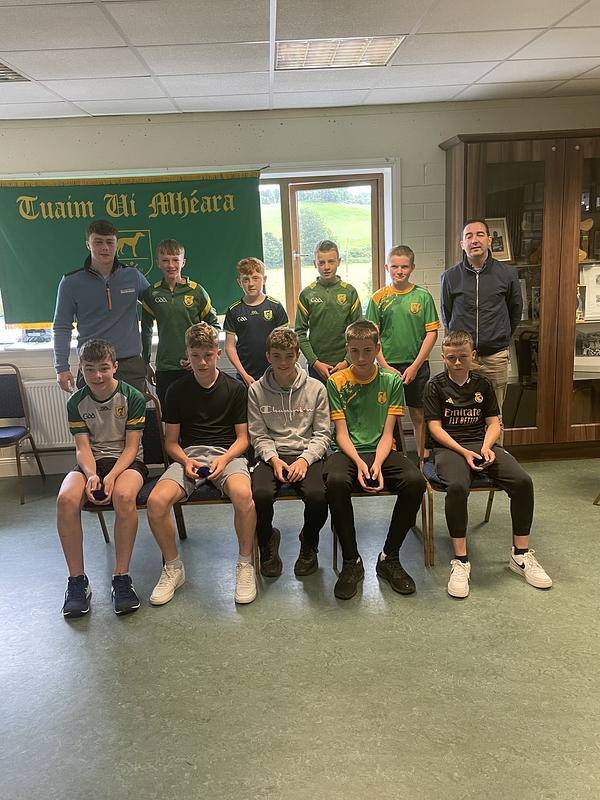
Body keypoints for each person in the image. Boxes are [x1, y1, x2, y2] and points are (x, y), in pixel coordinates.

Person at [423, 330, 552, 599]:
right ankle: (461, 561)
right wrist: (463, 452)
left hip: (482, 444)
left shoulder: (483, 384)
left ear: (473, 356)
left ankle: (520, 555)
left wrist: (485, 447)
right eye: (451, 357)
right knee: (457, 486)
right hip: (449, 448)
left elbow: (494, 423)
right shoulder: (434, 386)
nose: (457, 362)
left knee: (522, 482)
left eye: (462, 356)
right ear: (443, 357)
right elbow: (435, 428)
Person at [146, 322, 257, 606]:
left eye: (208, 355)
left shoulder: (235, 388)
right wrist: (185, 461)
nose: (202, 362)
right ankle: (173, 568)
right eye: (195, 356)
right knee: (156, 502)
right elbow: (171, 442)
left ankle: (245, 564)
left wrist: (224, 459)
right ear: (187, 355)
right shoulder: (176, 390)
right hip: (190, 456)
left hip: (228, 456)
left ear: (218, 353)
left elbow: (243, 439)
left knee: (244, 495)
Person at [324, 320, 426, 600]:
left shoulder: (392, 381)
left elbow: (388, 433)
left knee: (415, 482)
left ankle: (389, 557)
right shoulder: (336, 382)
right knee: (335, 481)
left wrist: (377, 464)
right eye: (354, 351)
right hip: (346, 451)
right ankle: (351, 561)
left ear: (377, 348)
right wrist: (360, 464)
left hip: (382, 450)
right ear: (347, 349)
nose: (360, 358)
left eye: (367, 350)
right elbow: (341, 433)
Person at [57, 339, 147, 618]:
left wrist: (113, 476)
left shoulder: (133, 397)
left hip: (127, 462)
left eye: (104, 368)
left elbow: (131, 447)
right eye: (90, 369)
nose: (97, 376)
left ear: (115, 367)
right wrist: (92, 475)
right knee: (66, 499)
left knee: (124, 495)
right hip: (91, 462)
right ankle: (77, 582)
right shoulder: (76, 401)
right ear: (81, 369)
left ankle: (121, 578)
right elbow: (82, 447)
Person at [248, 328, 330, 577]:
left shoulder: (316, 389)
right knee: (260, 495)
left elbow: (323, 434)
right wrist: (273, 460)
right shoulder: (256, 391)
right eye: (277, 356)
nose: (283, 362)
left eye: (289, 356)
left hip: (306, 453)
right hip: (272, 455)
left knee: (318, 496)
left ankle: (309, 542)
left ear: (297, 356)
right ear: (268, 356)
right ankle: (267, 540)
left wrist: (305, 460)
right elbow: (258, 435)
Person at [53, 219, 149, 395]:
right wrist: (61, 367)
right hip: (92, 366)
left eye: (109, 242)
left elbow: (160, 307)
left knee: (134, 414)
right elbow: (61, 327)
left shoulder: (133, 276)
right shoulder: (70, 283)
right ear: (88, 244)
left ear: (116, 244)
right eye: (98, 242)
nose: (105, 247)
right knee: (93, 414)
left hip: (130, 365)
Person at [440, 218, 522, 417]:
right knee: (461, 415)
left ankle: (494, 441)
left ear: (489, 240)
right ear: (462, 244)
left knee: (495, 416)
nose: (474, 240)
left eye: (480, 235)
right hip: (462, 359)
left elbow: (515, 311)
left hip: (495, 357)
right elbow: (446, 315)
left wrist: (499, 337)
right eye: (469, 236)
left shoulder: (507, 274)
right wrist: (460, 349)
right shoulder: (450, 277)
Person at [366, 244, 440, 451]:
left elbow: (432, 333)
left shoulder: (422, 297)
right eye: (394, 266)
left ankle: (423, 461)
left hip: (417, 366)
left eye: (404, 267)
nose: (399, 271)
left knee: (419, 414)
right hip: (387, 367)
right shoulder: (378, 298)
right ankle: (392, 458)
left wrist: (415, 366)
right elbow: (372, 337)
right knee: (388, 417)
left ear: (412, 267)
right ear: (386, 267)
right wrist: (385, 366)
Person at [141, 238, 220, 407]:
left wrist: (200, 356)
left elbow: (214, 326)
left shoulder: (197, 291)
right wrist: (146, 363)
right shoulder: (152, 293)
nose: (171, 265)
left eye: (175, 260)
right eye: (165, 260)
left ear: (183, 262)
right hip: (165, 367)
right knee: (169, 415)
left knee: (197, 414)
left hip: (194, 366)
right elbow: (146, 330)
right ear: (158, 263)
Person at [295, 239, 362, 384]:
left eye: (331, 262)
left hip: (346, 365)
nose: (326, 267)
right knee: (319, 400)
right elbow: (299, 333)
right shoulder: (307, 294)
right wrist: (314, 362)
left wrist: (347, 361)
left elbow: (359, 332)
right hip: (317, 367)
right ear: (314, 263)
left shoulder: (349, 292)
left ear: (339, 262)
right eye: (321, 263)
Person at [224, 257, 288, 386]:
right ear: (239, 282)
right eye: (246, 279)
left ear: (264, 279)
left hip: (274, 374)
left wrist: (280, 370)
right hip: (245, 376)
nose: (251, 284)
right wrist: (244, 375)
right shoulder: (234, 310)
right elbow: (229, 347)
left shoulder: (275, 307)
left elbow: (286, 344)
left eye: (255, 278)